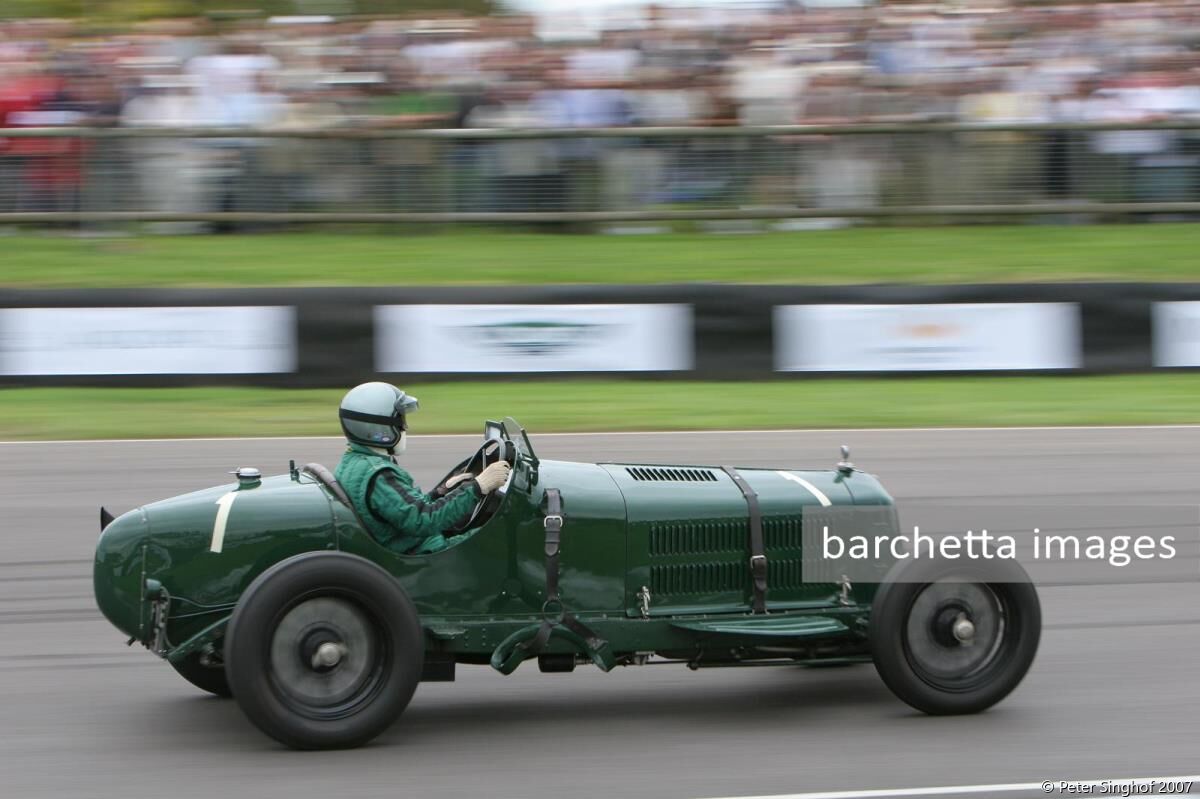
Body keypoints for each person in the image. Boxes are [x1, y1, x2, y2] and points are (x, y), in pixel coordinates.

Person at [334, 382, 511, 555]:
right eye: (400, 421)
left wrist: (441, 492)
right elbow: (424, 520)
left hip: (410, 541)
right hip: (423, 552)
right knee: (504, 532)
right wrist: (478, 487)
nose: (405, 427)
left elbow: (406, 510)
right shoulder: (379, 476)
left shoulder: (354, 463)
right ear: (380, 427)